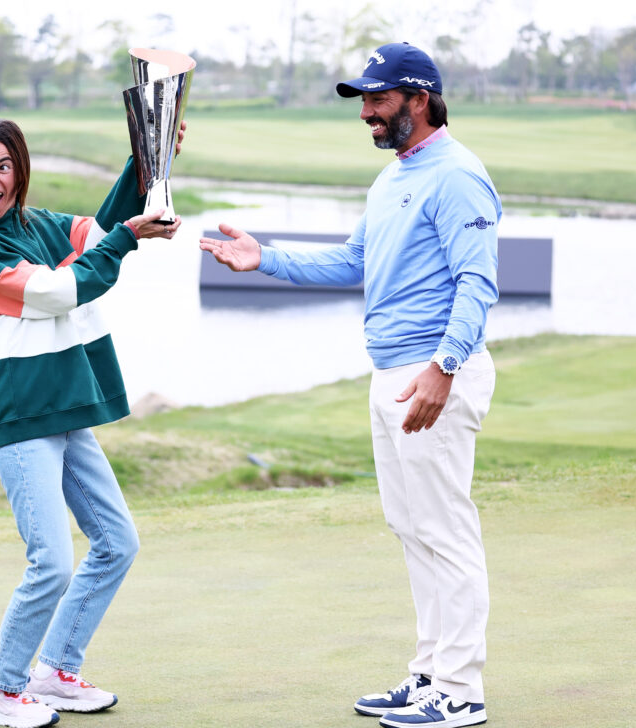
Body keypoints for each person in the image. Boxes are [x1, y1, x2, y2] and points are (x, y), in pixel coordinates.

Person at [200, 42, 498, 728]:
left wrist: (444, 369)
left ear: (419, 100)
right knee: (412, 526)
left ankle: (462, 689)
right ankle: (430, 674)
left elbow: (477, 282)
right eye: (363, 100)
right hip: (392, 370)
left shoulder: (456, 175)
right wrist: (264, 258)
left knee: (445, 528)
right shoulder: (397, 175)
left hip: (433, 373)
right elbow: (354, 261)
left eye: (378, 99)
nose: (366, 112)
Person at [0, 117, 184, 728]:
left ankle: (55, 673)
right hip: (20, 414)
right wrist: (125, 240)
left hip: (63, 404)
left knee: (117, 542)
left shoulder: (38, 224)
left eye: (3, 165)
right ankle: (1, 693)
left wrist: (145, 160)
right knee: (52, 560)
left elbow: (97, 232)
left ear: (20, 171)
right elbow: (58, 292)